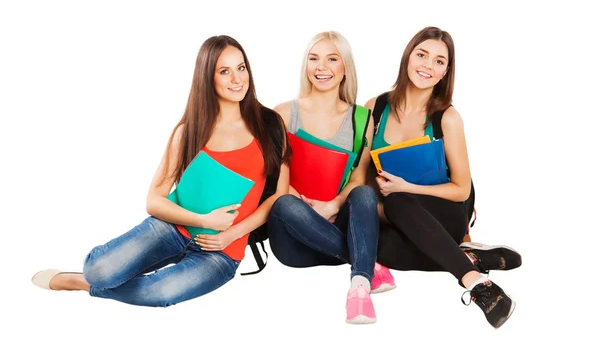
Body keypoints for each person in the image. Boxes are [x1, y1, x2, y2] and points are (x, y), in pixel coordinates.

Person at [31, 35, 290, 307]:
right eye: (224, 71)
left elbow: (278, 197)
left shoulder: (270, 125)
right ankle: (89, 279)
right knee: (97, 270)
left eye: (241, 68)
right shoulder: (188, 131)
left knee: (158, 293)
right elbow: (154, 200)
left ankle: (85, 286)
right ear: (207, 78)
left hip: (222, 251)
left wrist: (231, 234)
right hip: (171, 229)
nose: (237, 79)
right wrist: (204, 221)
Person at [364, 26, 522, 329]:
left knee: (398, 200)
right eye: (421, 55)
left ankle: (476, 284)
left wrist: (406, 188)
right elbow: (364, 171)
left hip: (446, 211)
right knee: (385, 249)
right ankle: (469, 258)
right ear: (408, 57)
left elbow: (462, 190)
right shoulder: (376, 107)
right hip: (396, 213)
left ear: (445, 71)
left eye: (439, 61)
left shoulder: (447, 118)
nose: (427, 65)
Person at [268, 31, 380, 324]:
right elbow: (272, 181)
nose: (321, 67)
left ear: (345, 69)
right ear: (305, 66)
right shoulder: (282, 114)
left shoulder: (361, 119)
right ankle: (367, 261)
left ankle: (360, 288)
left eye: (332, 59)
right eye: (314, 58)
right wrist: (304, 205)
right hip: (294, 240)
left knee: (364, 194)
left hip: (336, 222)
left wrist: (331, 206)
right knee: (283, 205)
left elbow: (358, 179)